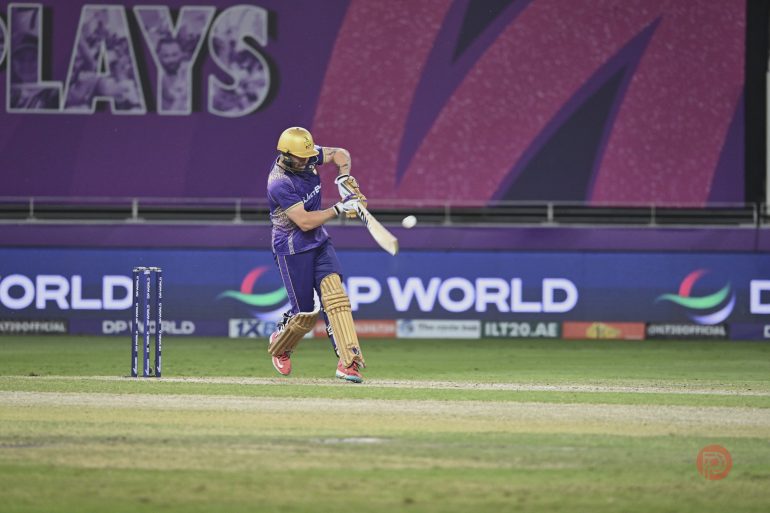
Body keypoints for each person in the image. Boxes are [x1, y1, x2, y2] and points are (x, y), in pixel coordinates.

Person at [266, 126, 368, 383]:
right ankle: (282, 342)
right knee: (304, 314)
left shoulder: (308, 155)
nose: (308, 160)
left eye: (309, 155)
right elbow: (304, 222)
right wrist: (340, 208)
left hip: (319, 243)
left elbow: (341, 154)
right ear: (287, 155)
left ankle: (348, 363)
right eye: (301, 157)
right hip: (292, 248)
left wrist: (344, 179)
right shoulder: (279, 182)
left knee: (335, 297)